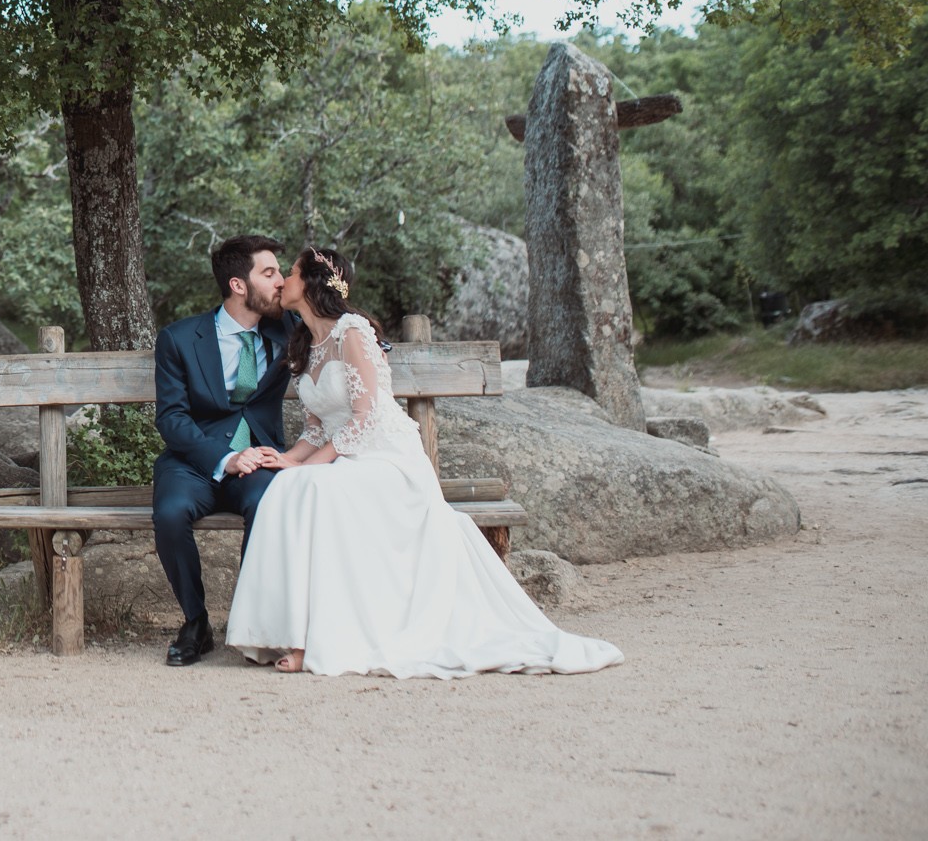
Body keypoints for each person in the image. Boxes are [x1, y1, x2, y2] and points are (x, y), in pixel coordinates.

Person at [224, 247, 624, 678]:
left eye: (293, 274)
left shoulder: (352, 332)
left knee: (314, 487)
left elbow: (365, 418)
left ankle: (319, 639)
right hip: (345, 459)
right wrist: (287, 460)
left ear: (315, 284)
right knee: (283, 485)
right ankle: (292, 632)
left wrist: (309, 467)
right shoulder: (305, 342)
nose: (283, 281)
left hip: (386, 458)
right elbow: (317, 429)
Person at [151, 234, 299, 667]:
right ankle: (195, 622)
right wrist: (225, 458)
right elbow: (171, 418)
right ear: (238, 285)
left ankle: (252, 619)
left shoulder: (289, 329)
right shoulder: (179, 339)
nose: (278, 282)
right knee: (171, 512)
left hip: (260, 458)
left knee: (269, 503)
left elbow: (338, 329)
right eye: (269, 273)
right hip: (194, 459)